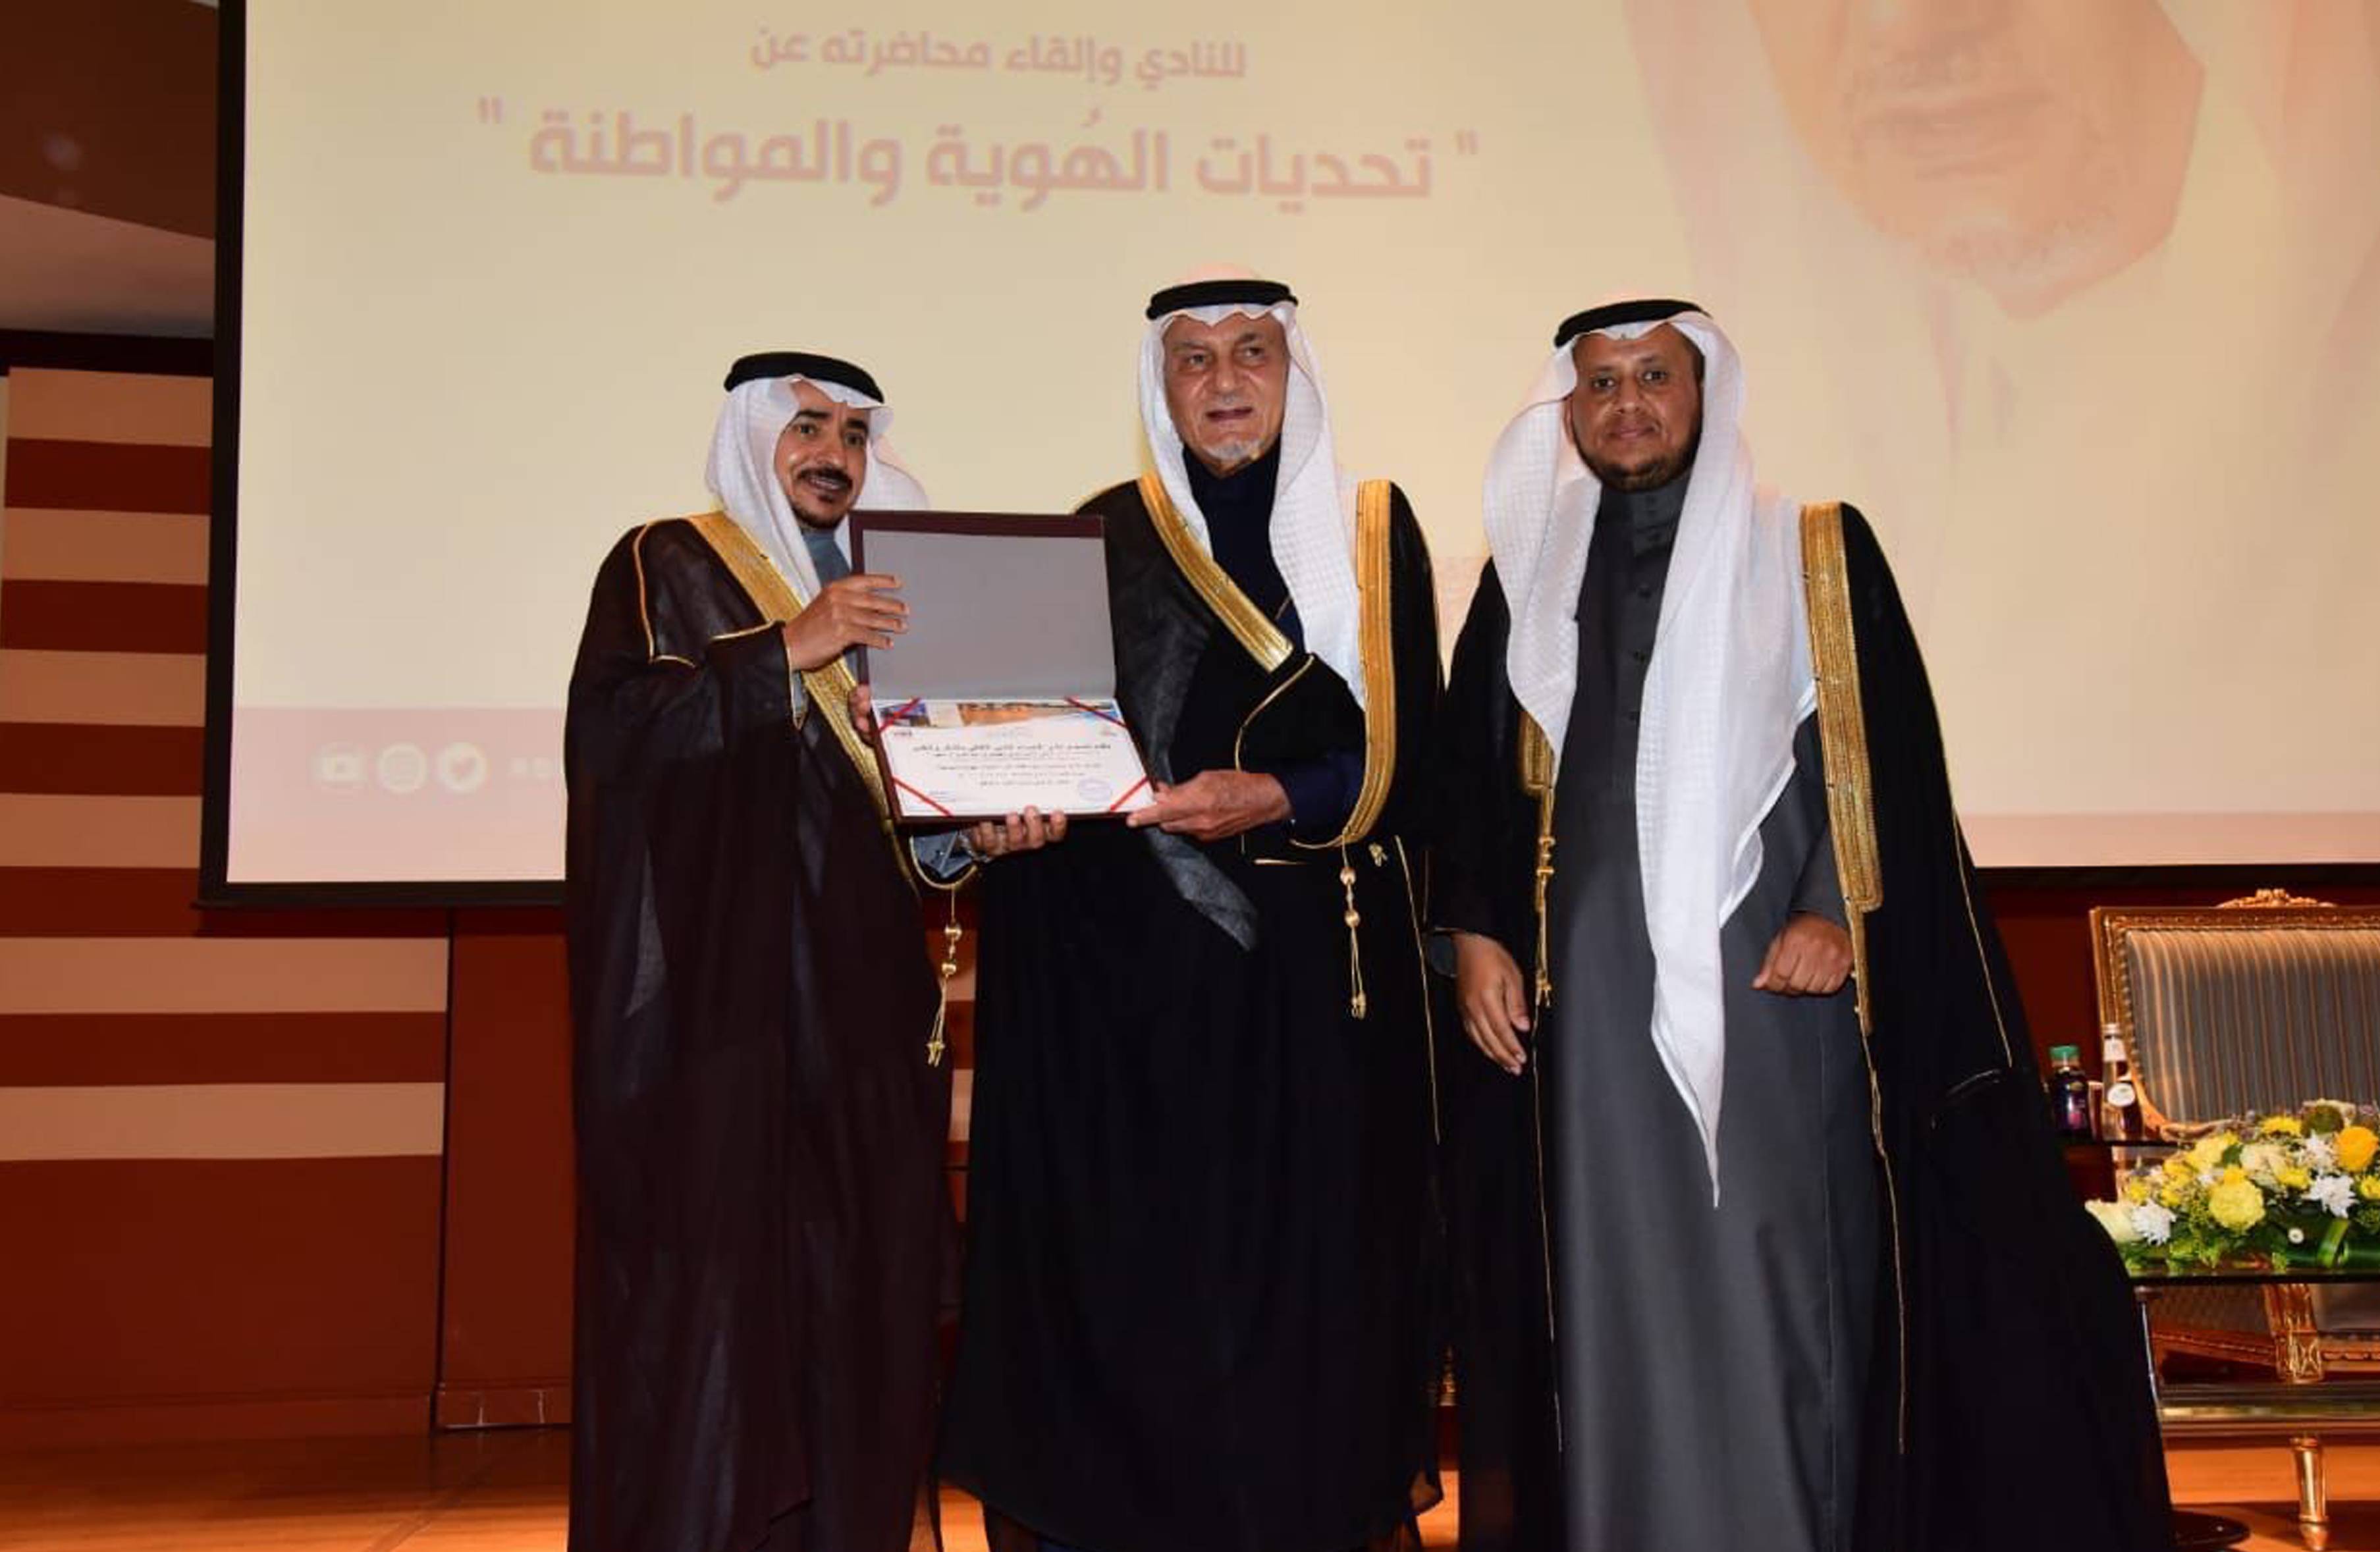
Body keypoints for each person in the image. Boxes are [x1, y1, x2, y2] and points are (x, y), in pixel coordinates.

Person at [1433, 298, 2171, 1552]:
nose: (1627, 404)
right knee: (1613, 1291)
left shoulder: (1807, 548)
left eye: (1653, 375)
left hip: (1775, 991)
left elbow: (1881, 754)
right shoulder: (1529, 576)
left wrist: (1831, 904)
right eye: (1601, 383)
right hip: (1587, 1014)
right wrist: (1473, 933)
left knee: (1772, 1277)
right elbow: (1469, 777)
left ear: (1703, 389)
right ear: (1569, 407)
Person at [937, 277, 1445, 1552]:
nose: (1225, 381)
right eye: (1194, 360)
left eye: (1251, 352)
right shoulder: (1098, 536)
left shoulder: (1369, 533)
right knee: (1135, 1285)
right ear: (1160, 389)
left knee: (1304, 1283)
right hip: (1120, 999)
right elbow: (1027, 748)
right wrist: (994, 819)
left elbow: (1417, 754)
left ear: (1293, 372)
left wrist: (1273, 793)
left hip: (1305, 990)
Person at [564, 352, 952, 1552]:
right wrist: (782, 649)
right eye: (805, 428)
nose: (832, 454)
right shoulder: (666, 562)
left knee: (861, 1304)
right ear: (750, 437)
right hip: (718, 1027)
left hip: (866, 1019)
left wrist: (975, 830)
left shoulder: (897, 594)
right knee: (725, 1322)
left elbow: (915, 805)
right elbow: (614, 739)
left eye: (852, 434)